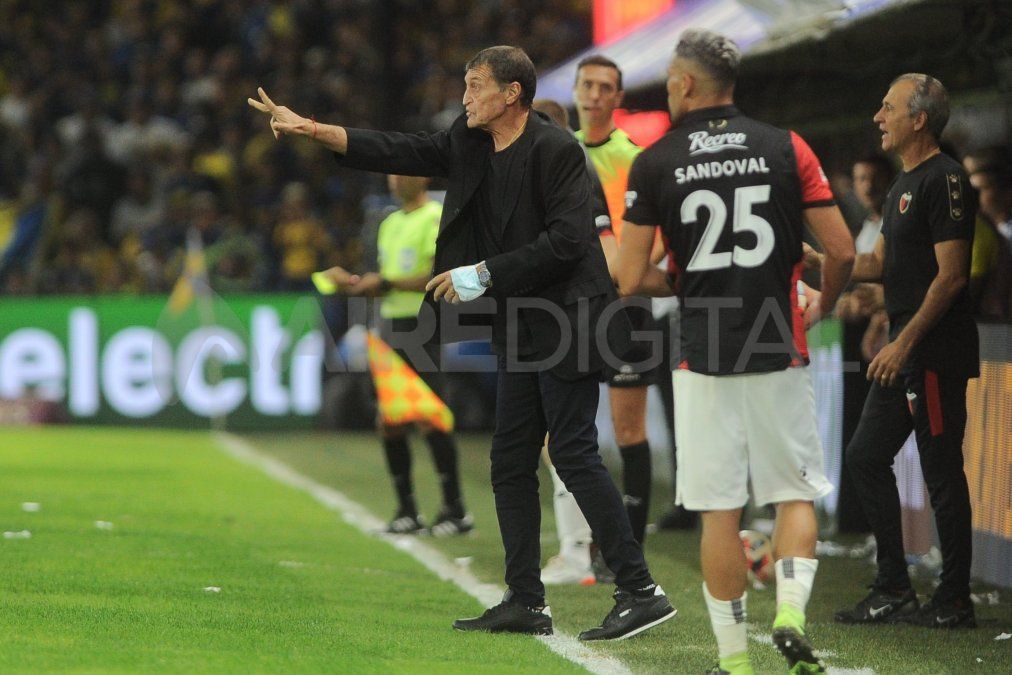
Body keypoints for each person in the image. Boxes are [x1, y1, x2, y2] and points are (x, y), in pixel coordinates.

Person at [249, 45, 676, 641]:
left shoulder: (557, 150)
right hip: (521, 321)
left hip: (572, 318)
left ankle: (640, 590)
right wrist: (313, 130)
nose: (465, 96)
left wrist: (483, 274)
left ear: (512, 94)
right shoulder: (471, 142)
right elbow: (402, 149)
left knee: (573, 453)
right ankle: (525, 600)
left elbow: (567, 243)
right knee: (510, 460)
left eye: (476, 86)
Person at [616, 30, 854, 674]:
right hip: (778, 338)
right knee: (794, 495)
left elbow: (630, 276)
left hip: (702, 350)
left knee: (719, 512)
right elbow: (842, 251)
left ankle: (735, 662)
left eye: (670, 79)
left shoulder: (656, 161)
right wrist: (824, 303)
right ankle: (790, 614)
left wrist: (687, 281)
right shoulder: (786, 146)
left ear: (686, 84)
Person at [830, 74, 980, 629]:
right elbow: (878, 263)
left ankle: (955, 598)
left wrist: (904, 342)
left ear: (919, 119)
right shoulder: (902, 185)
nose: (878, 117)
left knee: (942, 473)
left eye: (888, 107)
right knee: (865, 457)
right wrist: (820, 261)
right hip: (905, 351)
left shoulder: (946, 179)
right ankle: (894, 586)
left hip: (932, 353)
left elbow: (952, 276)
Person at [318, 174, 473, 536]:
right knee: (389, 420)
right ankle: (407, 510)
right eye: (391, 173)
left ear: (422, 177)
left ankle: (455, 510)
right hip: (389, 328)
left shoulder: (434, 218)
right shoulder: (389, 223)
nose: (395, 179)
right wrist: (354, 283)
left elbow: (438, 274)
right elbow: (386, 280)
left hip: (423, 326)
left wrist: (385, 283)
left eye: (402, 172)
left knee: (431, 416)